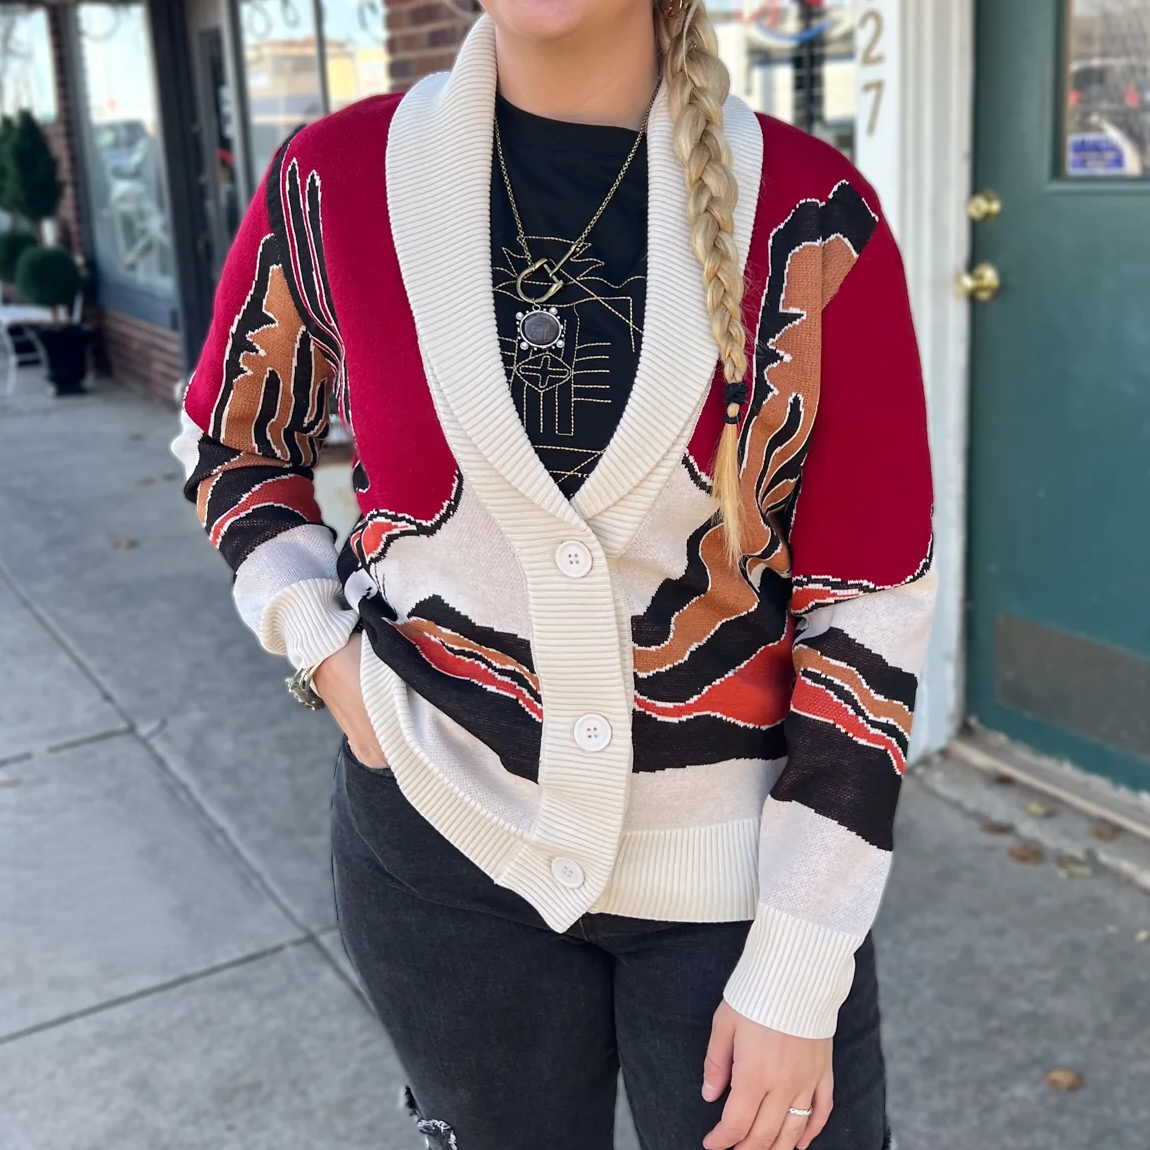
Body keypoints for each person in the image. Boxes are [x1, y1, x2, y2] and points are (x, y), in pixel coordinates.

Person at [172, 2, 936, 1147]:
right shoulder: (335, 182)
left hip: (737, 884)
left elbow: (869, 595)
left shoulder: (812, 218)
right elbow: (230, 444)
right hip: (438, 853)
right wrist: (325, 651)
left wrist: (800, 955)